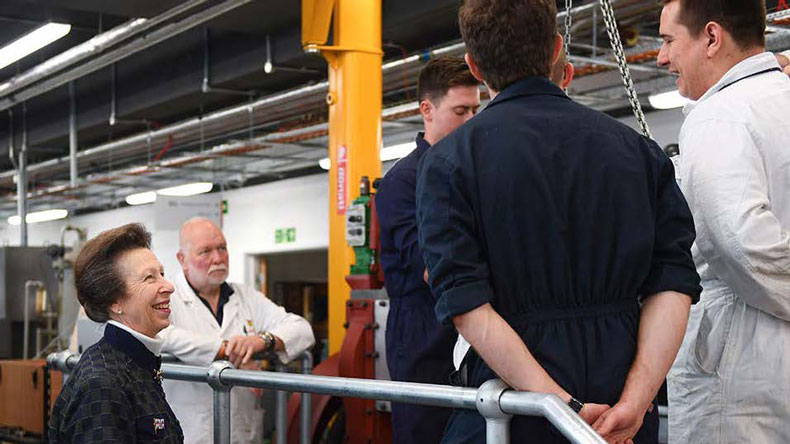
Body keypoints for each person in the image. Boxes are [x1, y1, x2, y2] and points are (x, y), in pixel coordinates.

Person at [415, 1, 701, 443]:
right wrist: (637, 401)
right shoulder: (639, 153)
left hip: (516, 414)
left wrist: (561, 408)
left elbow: (467, 306)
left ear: (474, 66)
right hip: (621, 419)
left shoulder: (449, 164)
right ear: (555, 49)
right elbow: (674, 283)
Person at [657, 1, 790, 442]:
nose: (661, 58)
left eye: (668, 41)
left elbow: (738, 242)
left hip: (739, 361)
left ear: (711, 38)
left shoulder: (719, 115)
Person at [375, 55, 480, 444]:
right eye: (460, 110)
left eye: (475, 109)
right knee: (427, 433)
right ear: (427, 109)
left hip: (478, 328)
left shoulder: (476, 174)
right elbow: (431, 267)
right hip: (424, 334)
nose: (471, 120)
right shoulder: (401, 184)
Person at [160, 217, 315, 444]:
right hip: (192, 432)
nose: (218, 258)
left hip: (243, 431)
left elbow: (302, 330)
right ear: (182, 259)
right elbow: (163, 336)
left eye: (222, 248)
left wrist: (262, 341)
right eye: (205, 252)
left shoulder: (245, 296)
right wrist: (228, 351)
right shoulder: (168, 297)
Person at [50, 223, 184, 443]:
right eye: (149, 278)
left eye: (162, 273)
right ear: (115, 301)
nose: (168, 286)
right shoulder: (103, 384)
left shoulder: (136, 365)